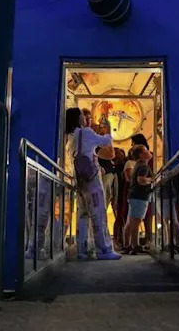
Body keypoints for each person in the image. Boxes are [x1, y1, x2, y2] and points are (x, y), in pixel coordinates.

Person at [67, 107, 121, 260]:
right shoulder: (86, 132)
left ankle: (82, 250)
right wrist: (108, 128)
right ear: (78, 118)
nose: (85, 118)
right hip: (92, 180)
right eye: (82, 115)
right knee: (98, 213)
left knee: (83, 215)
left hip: (80, 181)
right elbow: (107, 142)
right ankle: (103, 250)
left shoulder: (71, 136)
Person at [124, 145, 153, 255]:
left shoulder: (136, 165)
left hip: (133, 196)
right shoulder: (144, 167)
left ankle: (127, 244)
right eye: (146, 150)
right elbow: (141, 180)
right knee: (136, 221)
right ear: (141, 155)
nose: (149, 151)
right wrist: (151, 179)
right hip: (140, 197)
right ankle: (135, 245)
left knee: (130, 221)